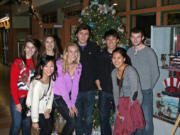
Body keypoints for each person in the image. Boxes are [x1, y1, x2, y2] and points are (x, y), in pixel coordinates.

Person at [127, 27, 160, 135]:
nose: (135, 40)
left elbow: (156, 73)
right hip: (132, 93)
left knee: (146, 122)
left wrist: (148, 86)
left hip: (145, 92)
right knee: (133, 121)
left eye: (138, 37)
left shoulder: (149, 52)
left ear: (142, 38)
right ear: (131, 38)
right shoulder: (129, 52)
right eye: (133, 37)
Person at [74, 24, 100, 135]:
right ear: (76, 35)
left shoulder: (94, 47)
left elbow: (99, 66)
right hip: (75, 89)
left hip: (90, 89)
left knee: (88, 117)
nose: (83, 36)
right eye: (81, 33)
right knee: (77, 117)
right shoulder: (72, 48)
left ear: (89, 36)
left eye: (86, 34)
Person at [9, 39, 38, 135]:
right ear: (24, 49)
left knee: (26, 125)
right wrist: (17, 103)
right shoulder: (18, 62)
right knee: (17, 125)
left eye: (32, 47)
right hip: (17, 98)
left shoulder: (36, 63)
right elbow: (13, 84)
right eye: (28, 47)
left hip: (29, 99)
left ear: (35, 49)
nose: (30, 49)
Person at [111, 47, 143, 135]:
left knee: (128, 128)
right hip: (122, 102)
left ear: (124, 59)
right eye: (114, 58)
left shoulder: (130, 71)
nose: (116, 60)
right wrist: (117, 108)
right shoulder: (114, 72)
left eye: (119, 58)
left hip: (133, 102)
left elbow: (135, 93)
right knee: (118, 125)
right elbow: (115, 92)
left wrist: (126, 112)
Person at [53, 43, 82, 135]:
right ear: (66, 53)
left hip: (64, 96)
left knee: (72, 121)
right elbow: (61, 88)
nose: (73, 54)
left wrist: (73, 103)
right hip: (56, 96)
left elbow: (75, 86)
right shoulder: (59, 64)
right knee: (72, 121)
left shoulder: (78, 66)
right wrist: (70, 105)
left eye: (75, 51)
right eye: (70, 51)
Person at [95, 29, 119, 135]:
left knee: (119, 118)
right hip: (104, 91)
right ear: (105, 41)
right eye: (108, 39)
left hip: (119, 92)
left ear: (117, 40)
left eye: (113, 39)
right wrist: (97, 83)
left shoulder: (122, 55)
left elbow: (128, 71)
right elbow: (95, 70)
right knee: (103, 119)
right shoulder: (100, 55)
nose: (110, 41)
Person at [26, 55, 57, 135]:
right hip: (36, 110)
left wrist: (48, 109)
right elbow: (34, 104)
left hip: (44, 108)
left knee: (49, 128)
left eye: (51, 66)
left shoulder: (51, 78)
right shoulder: (37, 85)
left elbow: (51, 95)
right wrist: (35, 121)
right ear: (41, 67)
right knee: (45, 130)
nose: (49, 69)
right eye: (46, 66)